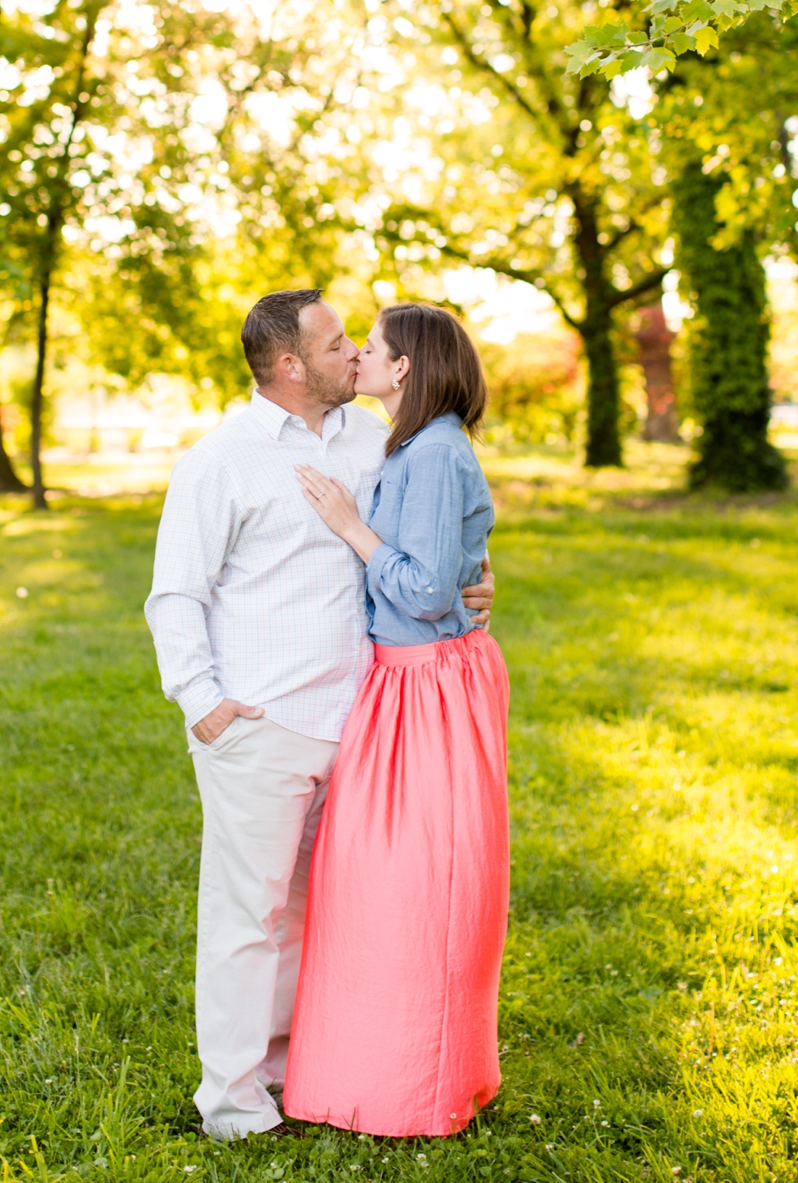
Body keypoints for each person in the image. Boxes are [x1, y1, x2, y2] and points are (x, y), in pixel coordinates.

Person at [144, 289, 494, 1142]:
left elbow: (430, 541)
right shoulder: (219, 461)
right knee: (248, 916)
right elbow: (175, 595)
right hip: (262, 721)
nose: (354, 354)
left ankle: (294, 1069)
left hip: (370, 724)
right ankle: (231, 1103)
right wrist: (205, 702)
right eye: (338, 343)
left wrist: (475, 583)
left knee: (324, 911)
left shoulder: (377, 439)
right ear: (292, 364)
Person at [282, 303, 510, 1139]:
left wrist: (349, 527)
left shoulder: (438, 449)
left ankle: (416, 1083)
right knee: (375, 890)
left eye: (370, 347)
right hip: (403, 682)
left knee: (423, 890)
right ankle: (369, 1073)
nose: (360, 358)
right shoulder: (414, 445)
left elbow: (421, 589)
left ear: (405, 366)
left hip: (428, 692)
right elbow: (453, 563)